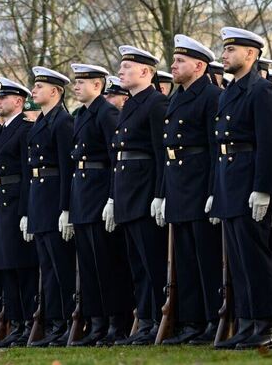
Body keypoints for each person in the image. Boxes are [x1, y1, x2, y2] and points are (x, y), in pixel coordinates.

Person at [210, 27, 272, 348]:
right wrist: (216, 190)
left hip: (250, 180)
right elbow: (219, 146)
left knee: (256, 256)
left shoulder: (262, 91)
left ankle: (265, 324)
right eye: (224, 50)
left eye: (231, 50)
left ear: (251, 54)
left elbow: (270, 143)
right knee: (238, 260)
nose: (224, 55)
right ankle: (245, 322)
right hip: (230, 181)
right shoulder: (229, 92)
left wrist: (264, 188)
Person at [160, 35, 222, 345]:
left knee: (206, 258)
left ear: (199, 65)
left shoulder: (211, 96)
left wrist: (213, 189)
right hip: (178, 186)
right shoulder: (176, 97)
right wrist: (163, 193)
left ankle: (213, 319)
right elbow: (167, 150)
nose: (173, 65)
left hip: (199, 185)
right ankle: (191, 322)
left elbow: (215, 148)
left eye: (180, 61)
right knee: (183, 260)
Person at [68, 63, 133, 346]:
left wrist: (111, 197)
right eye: (76, 81)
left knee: (107, 264)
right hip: (83, 195)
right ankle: (96, 324)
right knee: (90, 267)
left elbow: (115, 158)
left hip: (99, 193)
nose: (76, 85)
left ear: (98, 85)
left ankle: (115, 323)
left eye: (82, 81)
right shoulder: (82, 114)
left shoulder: (106, 113)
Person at [109, 45, 169, 345]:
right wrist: (112, 197)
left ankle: (159, 319)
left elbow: (161, 152)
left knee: (152, 261)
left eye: (127, 68)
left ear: (145, 72)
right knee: (138, 264)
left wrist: (160, 193)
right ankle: (145, 320)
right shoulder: (131, 104)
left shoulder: (156, 103)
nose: (120, 72)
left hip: (145, 193)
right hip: (127, 194)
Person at [26, 66, 77, 347]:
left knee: (62, 267)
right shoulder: (41, 122)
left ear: (55, 92)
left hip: (55, 200)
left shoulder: (62, 122)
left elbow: (68, 169)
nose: (34, 91)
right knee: (47, 268)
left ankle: (70, 320)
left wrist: (65, 209)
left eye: (39, 87)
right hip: (39, 201)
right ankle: (55, 323)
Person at [0, 77, 39, 347]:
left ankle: (29, 323)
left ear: (18, 101)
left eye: (3, 97)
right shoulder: (2, 130)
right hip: (1, 203)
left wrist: (24, 211)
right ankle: (16, 323)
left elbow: (27, 174)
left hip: (16, 201)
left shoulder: (24, 129)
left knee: (22, 267)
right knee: (7, 267)